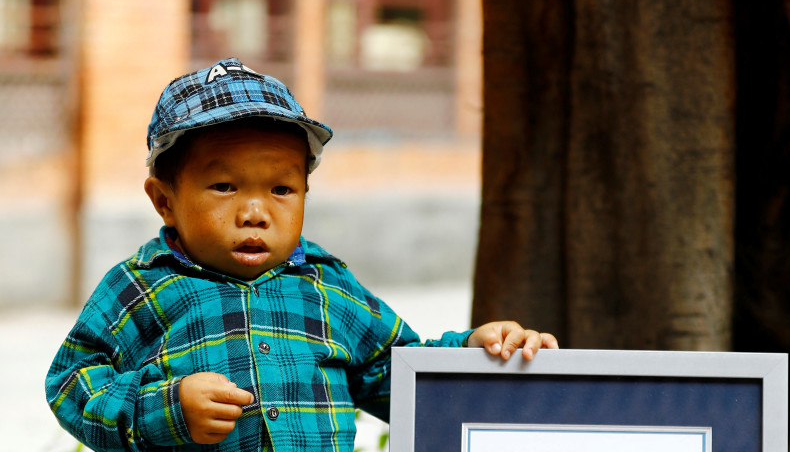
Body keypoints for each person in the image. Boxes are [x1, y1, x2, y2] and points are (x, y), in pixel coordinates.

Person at [46, 57, 558, 451]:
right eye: (224, 186)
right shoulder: (141, 285)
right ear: (165, 201)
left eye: (281, 190)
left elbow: (395, 371)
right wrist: (163, 410)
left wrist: (472, 353)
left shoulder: (327, 286)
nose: (254, 212)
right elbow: (71, 382)